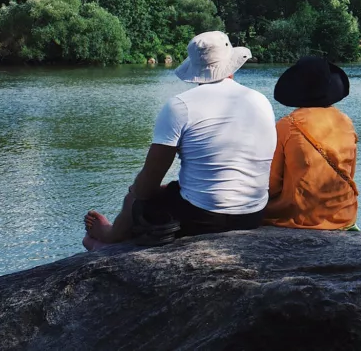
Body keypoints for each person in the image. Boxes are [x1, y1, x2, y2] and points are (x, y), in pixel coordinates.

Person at [83, 31, 277, 250]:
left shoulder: (180, 106)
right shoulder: (259, 100)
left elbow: (148, 182)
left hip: (204, 220)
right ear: (230, 66)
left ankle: (110, 237)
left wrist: (134, 196)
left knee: (136, 197)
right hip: (252, 215)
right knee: (168, 190)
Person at [264, 57, 359, 230]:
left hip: (302, 217)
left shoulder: (288, 125)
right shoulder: (345, 122)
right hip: (344, 214)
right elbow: (350, 173)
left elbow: (272, 184)